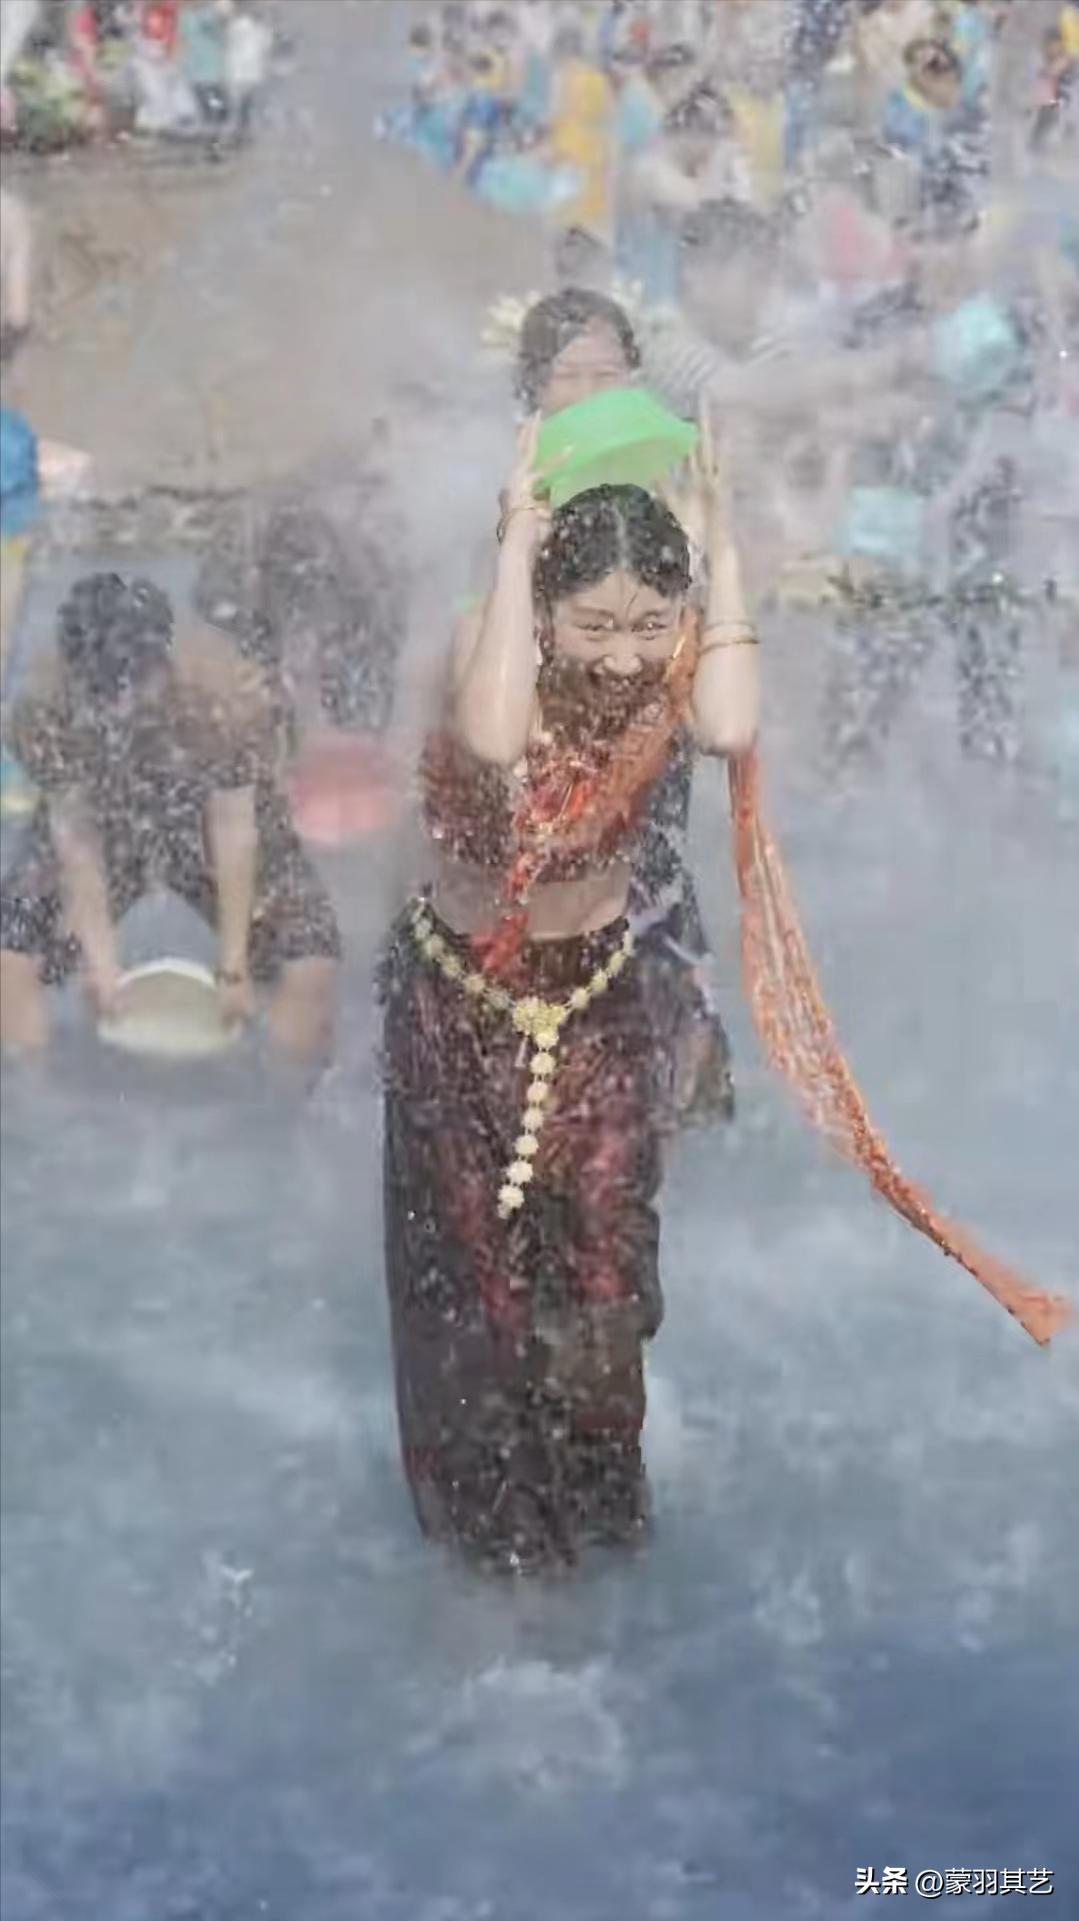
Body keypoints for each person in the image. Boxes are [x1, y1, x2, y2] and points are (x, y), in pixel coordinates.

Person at [381, 445, 759, 1572]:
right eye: (593, 625)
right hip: (460, 1008)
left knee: (606, 1282)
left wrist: (720, 545)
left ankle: (603, 1515)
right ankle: (502, 1559)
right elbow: (495, 736)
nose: (623, 655)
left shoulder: (667, 665)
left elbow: (729, 724)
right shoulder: (486, 647)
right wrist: (514, 542)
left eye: (648, 625)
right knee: (478, 1296)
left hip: (598, 1001)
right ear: (544, 607)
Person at [490, 287, 737, 1130]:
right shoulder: (515, 506)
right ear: (531, 390)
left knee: (677, 1063)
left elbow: (715, 686)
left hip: (647, 808)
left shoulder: (669, 496)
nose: (594, 392)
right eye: (572, 375)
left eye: (611, 373)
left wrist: (704, 552)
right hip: (546, 819)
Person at [0, 573, 339, 1063]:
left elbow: (234, 830)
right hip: (108, 810)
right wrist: (101, 962)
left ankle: (285, 1094)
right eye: (103, 696)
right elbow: (76, 838)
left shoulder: (226, 693)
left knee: (310, 962)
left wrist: (233, 967)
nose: (121, 707)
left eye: (134, 688)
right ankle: (33, 1090)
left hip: (208, 815)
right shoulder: (44, 708)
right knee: (10, 956)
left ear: (163, 661)